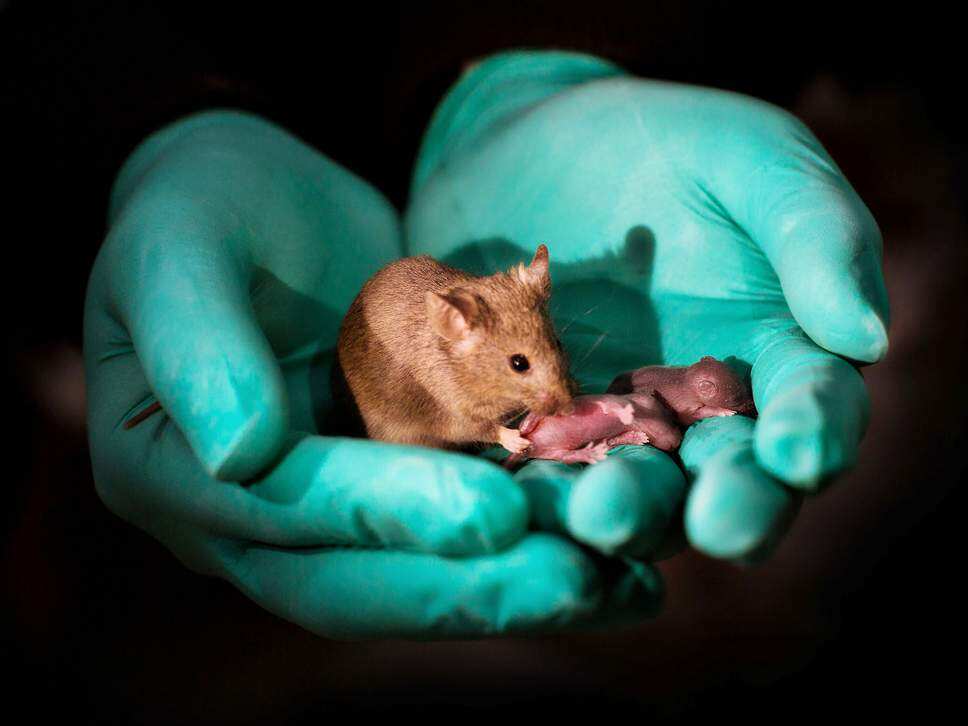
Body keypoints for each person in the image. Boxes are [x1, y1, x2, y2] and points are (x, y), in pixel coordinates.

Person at [83, 50, 889, 639]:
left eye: (546, 357)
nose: (551, 381)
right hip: (402, 405)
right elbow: (478, 402)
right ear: (461, 328)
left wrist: (501, 95)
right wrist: (184, 111)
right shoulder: (453, 353)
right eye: (520, 366)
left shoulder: (516, 306)